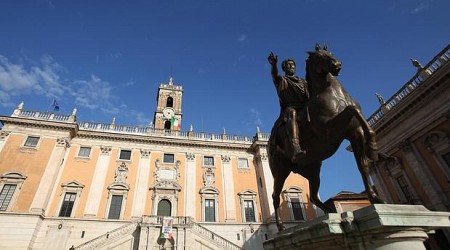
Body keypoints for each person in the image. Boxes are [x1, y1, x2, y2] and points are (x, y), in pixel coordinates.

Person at [268, 52, 309, 162]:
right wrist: (273, 65)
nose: (292, 66)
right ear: (284, 68)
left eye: (293, 65)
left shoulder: (303, 82)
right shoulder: (282, 80)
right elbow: (275, 75)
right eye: (289, 65)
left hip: (305, 107)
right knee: (292, 113)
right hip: (290, 109)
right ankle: (295, 147)